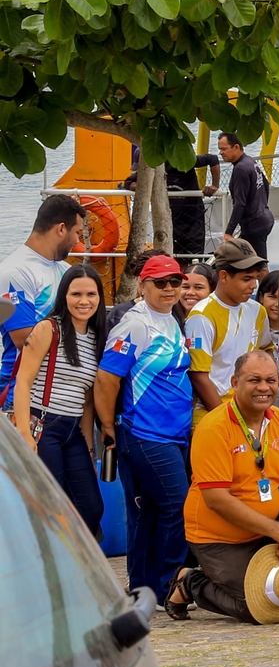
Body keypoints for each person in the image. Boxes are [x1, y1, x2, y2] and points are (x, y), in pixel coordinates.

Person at [174, 348, 279, 622]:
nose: (263, 387)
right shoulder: (214, 427)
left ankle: (261, 573)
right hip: (220, 538)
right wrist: (277, 531)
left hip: (267, 529)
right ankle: (190, 582)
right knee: (255, 607)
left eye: (271, 380)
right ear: (235, 383)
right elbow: (216, 499)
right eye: (254, 380)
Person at [94, 254, 194, 600]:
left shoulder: (171, 319)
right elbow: (107, 378)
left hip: (174, 433)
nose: (169, 288)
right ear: (143, 285)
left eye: (175, 282)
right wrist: (108, 423)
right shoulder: (135, 324)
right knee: (177, 505)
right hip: (144, 432)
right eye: (160, 282)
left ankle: (142, 585)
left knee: (148, 510)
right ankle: (169, 585)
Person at [9, 263, 107, 535]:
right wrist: (25, 435)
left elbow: (87, 401)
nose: (84, 301)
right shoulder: (48, 329)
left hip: (73, 430)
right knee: (50, 507)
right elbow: (23, 382)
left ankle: (70, 558)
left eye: (91, 294)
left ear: (100, 298)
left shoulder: (96, 337)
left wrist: (90, 449)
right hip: (42, 425)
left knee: (91, 507)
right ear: (64, 296)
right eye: (76, 294)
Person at [0, 193, 86, 408]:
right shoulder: (15, 272)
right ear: (61, 228)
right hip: (24, 393)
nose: (78, 241)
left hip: (64, 394)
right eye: (77, 232)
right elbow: (24, 339)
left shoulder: (66, 270)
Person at [183, 237, 269, 417]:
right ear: (223, 276)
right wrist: (227, 418)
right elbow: (199, 376)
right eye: (246, 279)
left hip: (248, 410)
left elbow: (265, 351)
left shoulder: (258, 311)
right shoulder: (202, 315)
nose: (253, 286)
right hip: (210, 414)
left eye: (255, 278)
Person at [218, 130, 274, 257]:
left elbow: (240, 203)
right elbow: (265, 184)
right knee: (255, 259)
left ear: (236, 147)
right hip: (265, 217)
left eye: (224, 149)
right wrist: (262, 206)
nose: (221, 152)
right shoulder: (250, 161)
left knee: (258, 263)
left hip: (255, 225)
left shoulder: (241, 169)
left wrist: (228, 232)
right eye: (219, 149)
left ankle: (266, 272)